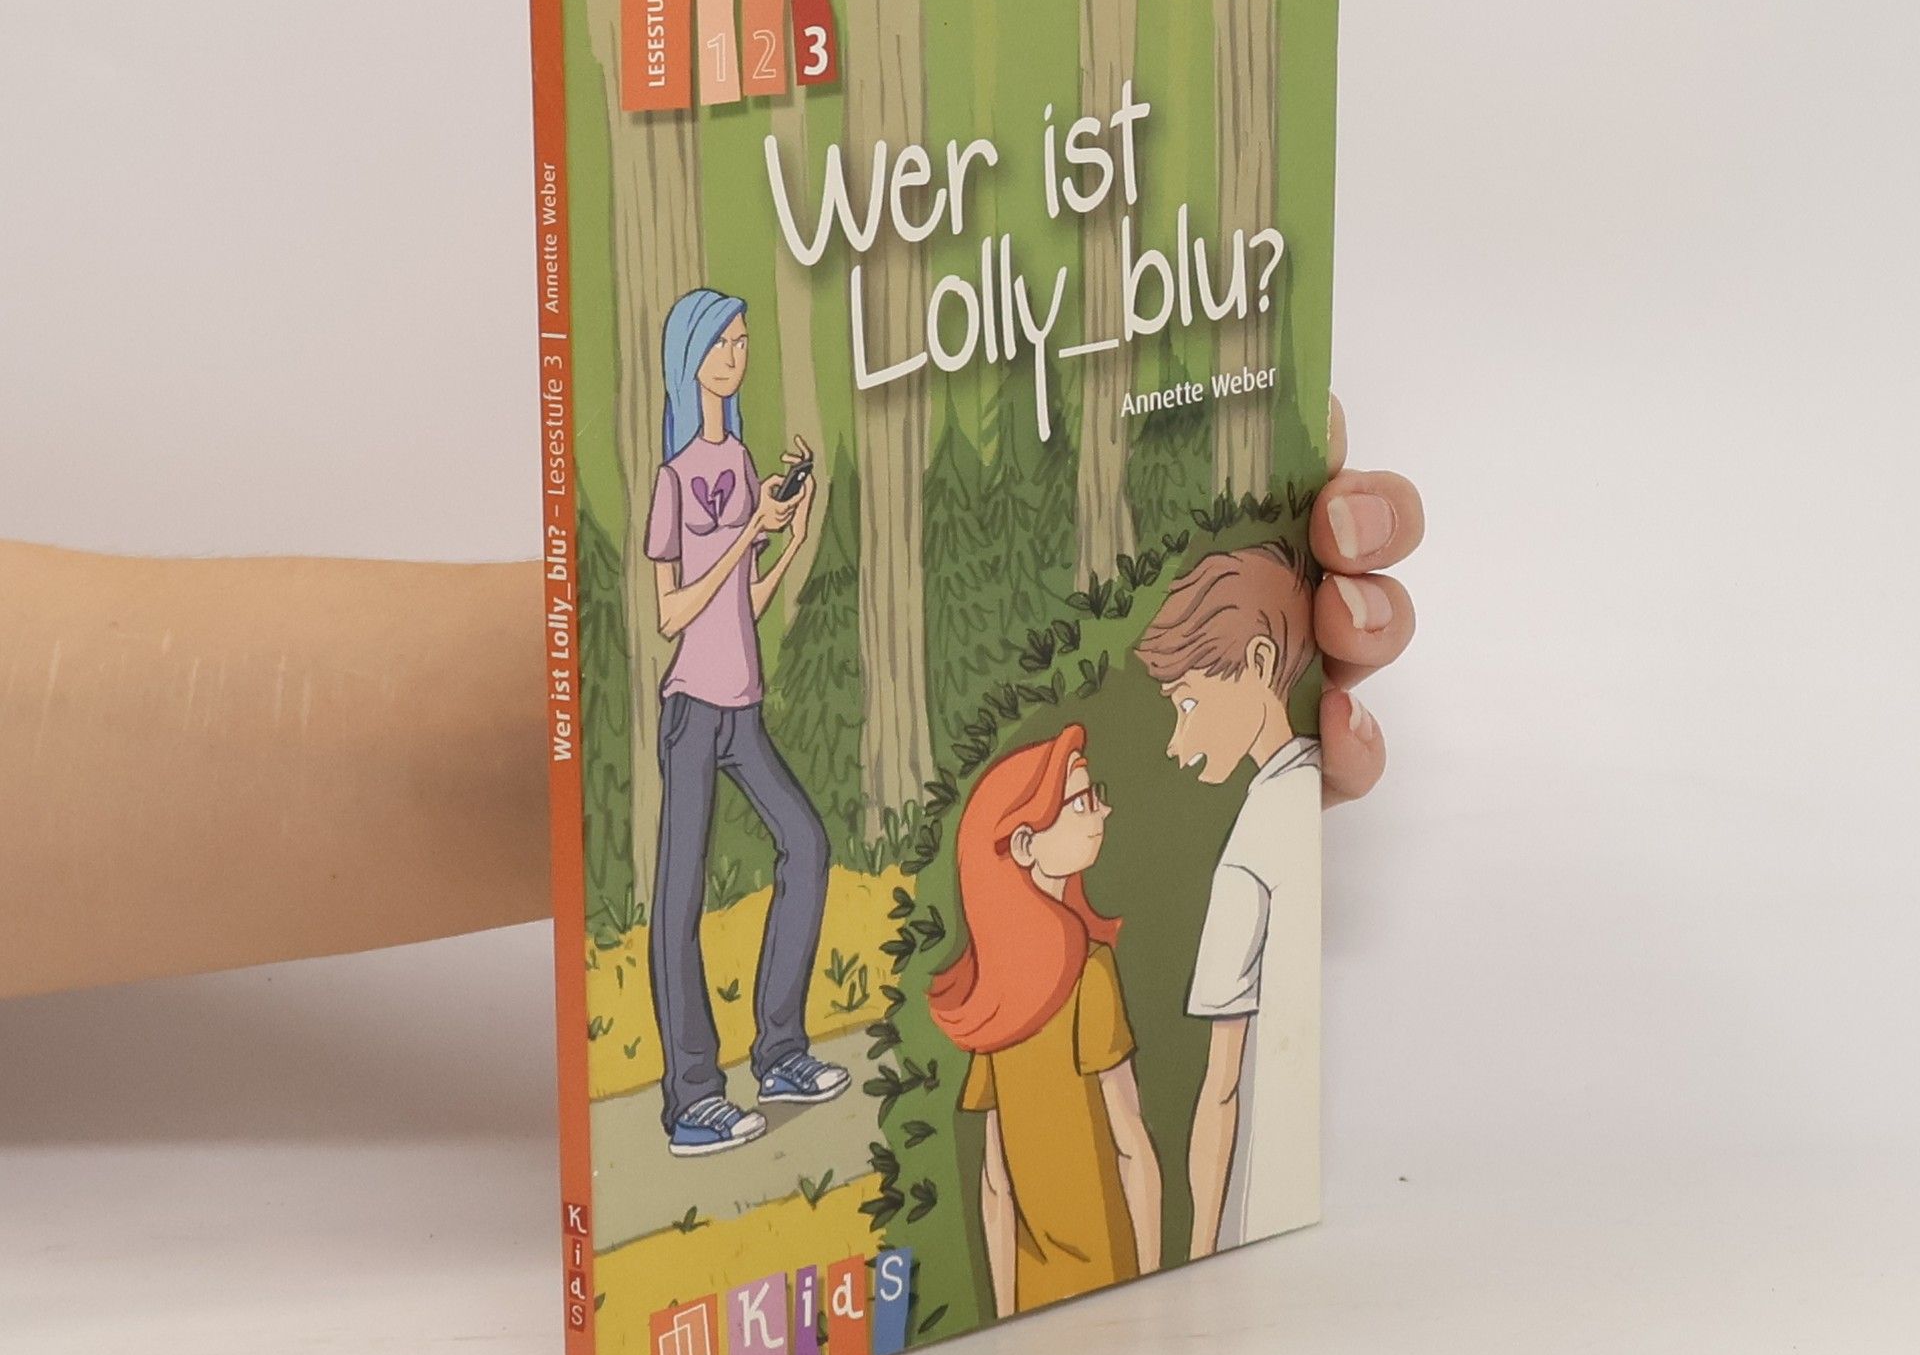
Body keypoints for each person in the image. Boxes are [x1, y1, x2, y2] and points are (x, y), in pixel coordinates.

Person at [0, 399, 1420, 1003]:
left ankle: (757, 1048)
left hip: (722, 713)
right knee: (733, 869)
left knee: (789, 851)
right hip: (695, 717)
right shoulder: (693, 501)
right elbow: (687, 611)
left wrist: (855, 585)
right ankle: (712, 1071)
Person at [643, 287, 848, 1157]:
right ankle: (693, 1098)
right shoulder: (675, 477)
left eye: (742, 340)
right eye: (721, 344)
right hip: (693, 710)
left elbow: (740, 606)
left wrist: (787, 539)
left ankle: (780, 1054)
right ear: (689, 361)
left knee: (805, 844)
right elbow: (673, 613)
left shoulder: (740, 457)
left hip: (745, 708)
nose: (736, 356)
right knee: (680, 899)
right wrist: (743, 534)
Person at [929, 726, 1162, 1317]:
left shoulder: (994, 993)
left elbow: (995, 1184)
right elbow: (1131, 1145)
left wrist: (1005, 1316)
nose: (1102, 811)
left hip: (1036, 1299)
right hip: (1115, 1280)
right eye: (1080, 802)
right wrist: (1157, 1286)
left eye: (1094, 796)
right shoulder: (1088, 971)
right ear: (1025, 844)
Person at [1136, 541, 1323, 1258]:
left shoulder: (1250, 844)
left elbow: (1220, 1088)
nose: (1176, 743)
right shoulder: (1311, 793)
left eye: (1187, 703)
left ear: (1260, 663)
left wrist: (1200, 1254)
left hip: (1263, 1202)